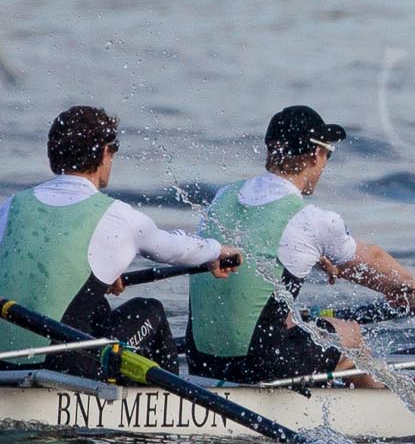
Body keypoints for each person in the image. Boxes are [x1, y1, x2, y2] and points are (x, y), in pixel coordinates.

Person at [187, 106, 415, 385]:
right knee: (349, 334)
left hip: (200, 360)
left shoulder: (223, 197)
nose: (325, 164)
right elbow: (370, 258)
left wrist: (318, 256)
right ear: (315, 154)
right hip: (258, 366)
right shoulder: (311, 220)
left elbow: (254, 254)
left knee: (286, 320)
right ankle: (379, 412)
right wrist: (410, 283)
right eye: (328, 154)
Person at [0, 106, 241, 377]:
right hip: (64, 366)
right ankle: (166, 404)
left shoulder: (12, 207)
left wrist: (96, 281)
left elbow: (36, 267)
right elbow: (177, 250)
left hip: (5, 363)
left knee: (97, 306)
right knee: (150, 311)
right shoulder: (117, 216)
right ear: (105, 153)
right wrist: (216, 250)